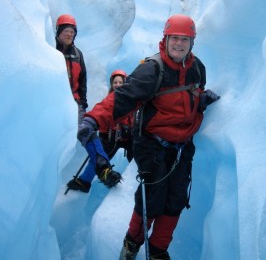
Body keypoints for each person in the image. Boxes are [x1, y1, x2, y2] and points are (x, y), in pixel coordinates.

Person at [77, 14, 220, 260]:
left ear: (192, 42)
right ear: (165, 39)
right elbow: (122, 98)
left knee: (175, 202)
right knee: (152, 199)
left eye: (185, 39)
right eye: (174, 38)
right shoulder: (153, 69)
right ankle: (132, 244)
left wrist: (202, 100)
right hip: (153, 145)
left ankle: (158, 250)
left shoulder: (198, 68)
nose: (179, 43)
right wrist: (93, 119)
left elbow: (193, 95)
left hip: (182, 147)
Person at [67, 69, 134, 193]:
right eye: (115, 82)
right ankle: (84, 181)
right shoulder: (108, 100)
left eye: (120, 82)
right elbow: (102, 114)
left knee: (137, 157)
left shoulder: (131, 99)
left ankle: (139, 177)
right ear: (111, 84)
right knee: (98, 159)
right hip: (111, 137)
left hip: (128, 137)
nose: (118, 85)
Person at [55, 14, 88, 124]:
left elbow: (82, 80)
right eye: (66, 31)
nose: (69, 34)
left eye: (72, 32)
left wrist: (83, 103)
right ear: (59, 32)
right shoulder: (51, 51)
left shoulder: (78, 54)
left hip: (75, 101)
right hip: (55, 101)